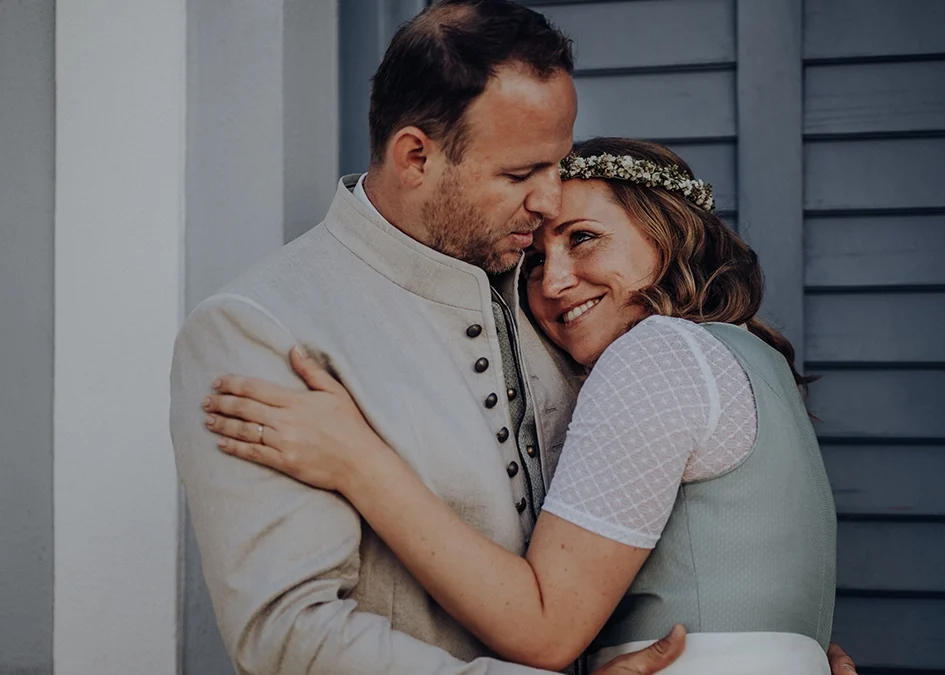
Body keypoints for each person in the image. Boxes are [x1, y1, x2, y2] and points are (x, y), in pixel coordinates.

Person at [172, 1, 857, 673]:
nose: (552, 198)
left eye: (556, 165)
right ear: (416, 156)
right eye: (522, 173)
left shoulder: (560, 304)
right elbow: (289, 635)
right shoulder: (262, 327)